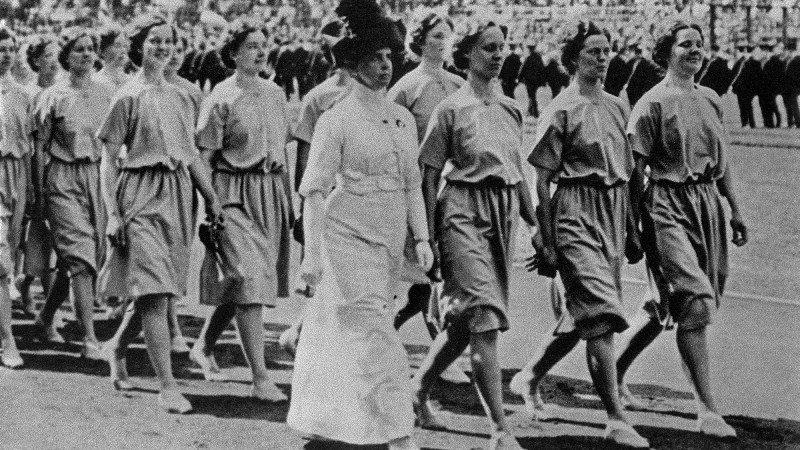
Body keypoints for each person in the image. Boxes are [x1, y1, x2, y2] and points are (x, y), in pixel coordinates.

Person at [287, 1, 432, 448]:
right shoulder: (337, 118)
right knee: (374, 332)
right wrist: (311, 256)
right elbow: (313, 191)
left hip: (387, 236)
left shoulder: (403, 119)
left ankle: (332, 419)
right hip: (345, 235)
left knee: (354, 328)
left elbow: (412, 184)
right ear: (351, 64)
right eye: (373, 58)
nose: (385, 66)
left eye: (388, 56)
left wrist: (421, 237)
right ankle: (398, 433)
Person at [410, 19, 538, 450]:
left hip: (501, 215)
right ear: (466, 55)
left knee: (466, 324)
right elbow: (428, 176)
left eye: (502, 47)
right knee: (484, 318)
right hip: (460, 210)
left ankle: (418, 390)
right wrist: (426, 237)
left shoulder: (511, 108)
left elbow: (516, 171)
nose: (498, 54)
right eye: (488, 47)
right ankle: (500, 429)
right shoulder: (450, 109)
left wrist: (536, 226)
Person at [523, 21, 648, 448]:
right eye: (594, 51)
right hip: (574, 209)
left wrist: (633, 228)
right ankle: (614, 418)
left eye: (607, 49)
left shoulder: (617, 106)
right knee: (599, 314)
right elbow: (540, 180)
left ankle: (531, 376)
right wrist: (546, 238)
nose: (603, 57)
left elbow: (629, 174)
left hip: (612, 213)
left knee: (586, 318)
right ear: (574, 59)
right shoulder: (560, 108)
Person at [627, 20, 748, 439]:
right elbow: (635, 173)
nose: (696, 50)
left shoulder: (711, 99)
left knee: (669, 305)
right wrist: (633, 227)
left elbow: (724, 158)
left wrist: (734, 209)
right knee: (694, 301)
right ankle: (707, 409)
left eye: (700, 44)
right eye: (686, 44)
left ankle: (617, 369)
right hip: (665, 204)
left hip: (707, 204)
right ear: (666, 52)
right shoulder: (650, 103)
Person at [96, 16, 223, 414]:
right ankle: (167, 385)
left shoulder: (185, 96)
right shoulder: (127, 96)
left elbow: (190, 155)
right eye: (155, 41)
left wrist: (212, 198)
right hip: (139, 193)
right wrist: (114, 216)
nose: (163, 48)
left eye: (169, 41)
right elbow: (107, 161)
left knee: (162, 288)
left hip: (178, 194)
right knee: (152, 289)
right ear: (139, 46)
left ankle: (117, 346)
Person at [190, 21, 291, 403]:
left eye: (263, 45)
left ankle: (204, 345)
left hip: (270, 193)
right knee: (247, 278)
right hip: (232, 192)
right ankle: (261, 377)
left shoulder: (276, 93)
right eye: (250, 46)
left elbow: (281, 154)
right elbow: (202, 158)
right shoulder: (220, 96)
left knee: (248, 282)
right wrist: (210, 202)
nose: (260, 52)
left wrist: (290, 206)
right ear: (233, 53)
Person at [386, 11, 470, 385]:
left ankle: (436, 346)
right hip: (415, 190)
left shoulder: (458, 84)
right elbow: (390, 139)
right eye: (436, 36)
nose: (443, 42)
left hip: (452, 190)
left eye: (447, 36)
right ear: (419, 42)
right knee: (423, 275)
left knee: (435, 279)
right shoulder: (406, 87)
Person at [31, 27, 114, 360]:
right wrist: (39, 193)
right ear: (66, 56)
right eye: (79, 49)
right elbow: (39, 147)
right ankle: (90, 338)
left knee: (81, 258)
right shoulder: (52, 96)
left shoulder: (107, 92)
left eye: (91, 48)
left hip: (95, 177)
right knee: (80, 258)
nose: (87, 54)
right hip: (62, 179)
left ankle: (45, 318)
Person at [276, 18, 353, 356]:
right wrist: (301, 209)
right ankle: (302, 333)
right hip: (330, 197)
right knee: (329, 273)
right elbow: (305, 163)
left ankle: (303, 332)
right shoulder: (318, 97)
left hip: (364, 195)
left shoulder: (379, 90)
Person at [15, 34, 61, 318]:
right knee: (33, 239)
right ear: (35, 61)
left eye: (56, 55)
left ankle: (26, 283)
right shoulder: (29, 94)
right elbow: (32, 145)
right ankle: (45, 311)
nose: (53, 62)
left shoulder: (60, 91)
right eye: (47, 56)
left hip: (60, 173)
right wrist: (34, 184)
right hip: (33, 172)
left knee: (52, 243)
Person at [0, 27, 30, 369]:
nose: (5, 55)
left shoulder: (22, 94)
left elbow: (26, 149)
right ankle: (8, 339)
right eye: (0, 49)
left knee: (10, 251)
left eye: (10, 49)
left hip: (12, 176)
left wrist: (28, 192)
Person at [94, 25, 131, 91]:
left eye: (125, 46)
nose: (123, 50)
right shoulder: (95, 81)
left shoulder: (131, 82)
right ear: (103, 51)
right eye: (117, 46)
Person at [732, 43, 760, 128]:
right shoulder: (739, 62)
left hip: (749, 88)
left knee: (748, 106)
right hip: (740, 88)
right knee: (741, 106)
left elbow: (757, 77)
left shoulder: (754, 63)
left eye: (747, 51)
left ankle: (751, 123)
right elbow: (734, 74)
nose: (745, 53)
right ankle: (744, 123)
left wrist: (755, 89)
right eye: (743, 51)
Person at [519, 43, 546, 117]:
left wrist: (520, 78)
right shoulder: (538, 58)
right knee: (532, 95)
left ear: (530, 49)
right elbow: (542, 69)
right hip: (536, 81)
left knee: (531, 95)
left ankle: (535, 112)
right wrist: (543, 80)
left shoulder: (528, 58)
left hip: (529, 80)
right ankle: (530, 111)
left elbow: (523, 69)